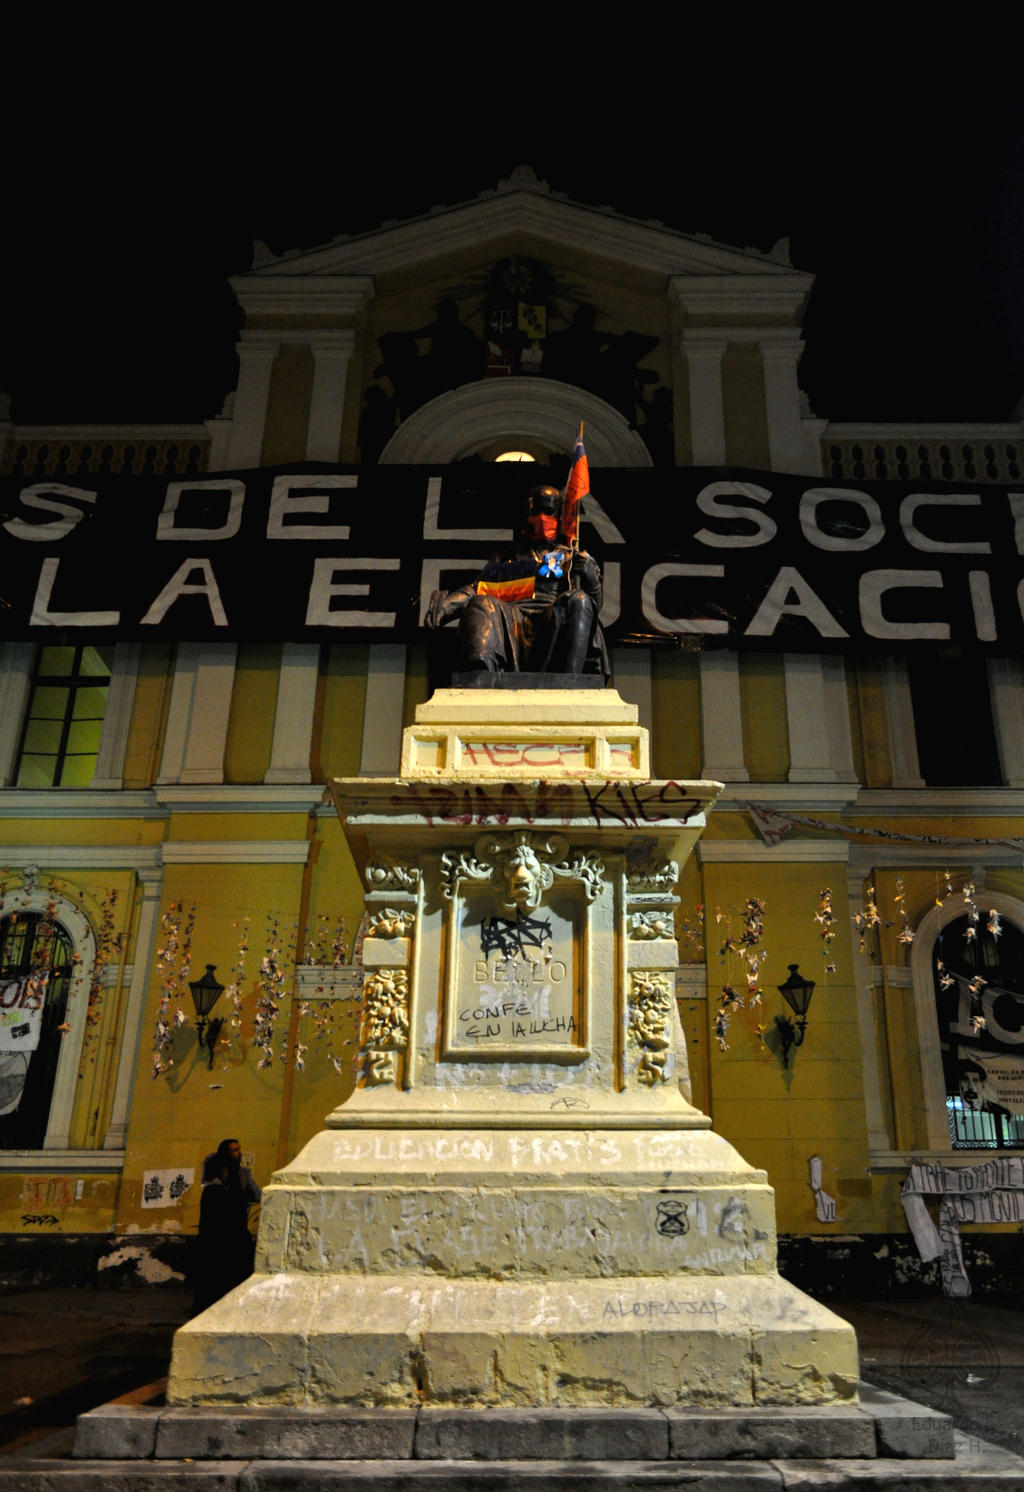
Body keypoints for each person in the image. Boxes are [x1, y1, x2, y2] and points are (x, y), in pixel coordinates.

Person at [426, 484, 607, 676]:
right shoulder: (507, 556)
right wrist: (447, 606)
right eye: (536, 511)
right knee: (481, 603)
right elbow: (478, 588)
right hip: (511, 619)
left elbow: (594, 606)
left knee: (579, 600)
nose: (542, 518)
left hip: (554, 620)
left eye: (548, 512)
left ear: (558, 516)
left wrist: (591, 579)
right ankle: (480, 677)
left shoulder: (571, 558)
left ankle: (570, 681)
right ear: (526, 515)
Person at [191, 1137, 260, 1315]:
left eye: (238, 1149)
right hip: (218, 1236)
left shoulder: (243, 1174)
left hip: (236, 1231)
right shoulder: (213, 1185)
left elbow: (255, 1194)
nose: (238, 1154)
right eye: (234, 1150)